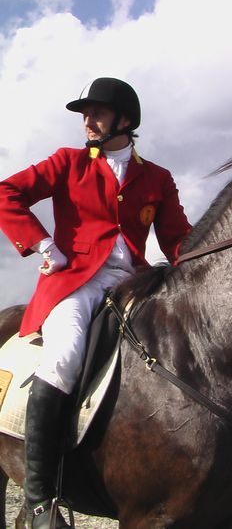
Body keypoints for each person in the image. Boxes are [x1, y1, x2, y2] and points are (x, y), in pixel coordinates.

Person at [0, 77, 191, 528]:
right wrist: (43, 245)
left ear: (124, 120)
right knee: (64, 358)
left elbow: (178, 238)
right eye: (85, 114)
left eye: (97, 113)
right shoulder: (68, 163)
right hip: (76, 282)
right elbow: (6, 192)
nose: (87, 121)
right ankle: (42, 499)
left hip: (136, 283)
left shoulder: (158, 178)